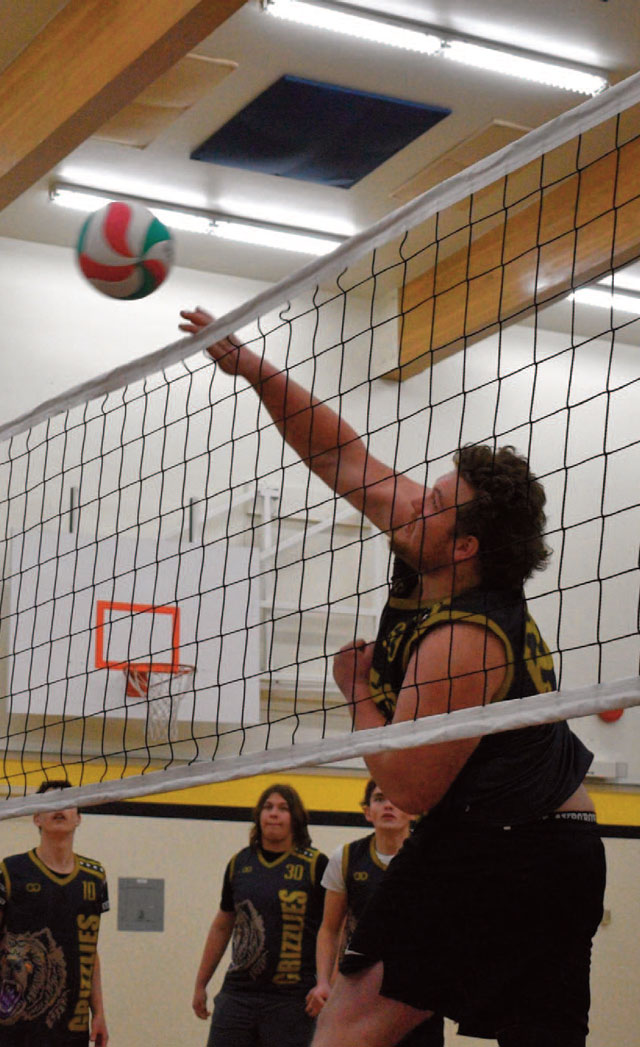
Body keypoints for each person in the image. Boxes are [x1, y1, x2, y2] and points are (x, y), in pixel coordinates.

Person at [179, 307, 605, 1047]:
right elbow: (341, 454)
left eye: (435, 502)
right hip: (551, 843)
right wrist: (252, 367)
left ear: (465, 544)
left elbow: (406, 787)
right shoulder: (429, 548)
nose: (414, 499)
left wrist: (358, 692)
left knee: (344, 1029)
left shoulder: (464, 639)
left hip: (510, 848)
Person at [0, 779, 109, 1047]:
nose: (59, 809)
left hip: (70, 1026)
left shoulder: (95, 876)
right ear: (36, 819)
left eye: (67, 803)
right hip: (15, 1026)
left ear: (78, 818)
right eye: (50, 803)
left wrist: (99, 1012)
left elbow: (89, 951)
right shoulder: (12, 870)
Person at [191, 783, 327, 1047]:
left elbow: (332, 929)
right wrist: (201, 983)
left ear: (295, 818)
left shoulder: (315, 865)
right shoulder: (240, 863)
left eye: (283, 808)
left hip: (291, 999)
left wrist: (327, 984)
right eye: (268, 807)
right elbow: (222, 925)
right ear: (258, 816)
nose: (274, 814)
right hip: (238, 995)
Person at [312, 781, 442, 1047]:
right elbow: (329, 929)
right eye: (380, 799)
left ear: (413, 812)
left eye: (396, 798)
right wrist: (323, 981)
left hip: (417, 988)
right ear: (367, 811)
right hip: (359, 988)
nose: (388, 805)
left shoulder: (433, 858)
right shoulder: (346, 857)